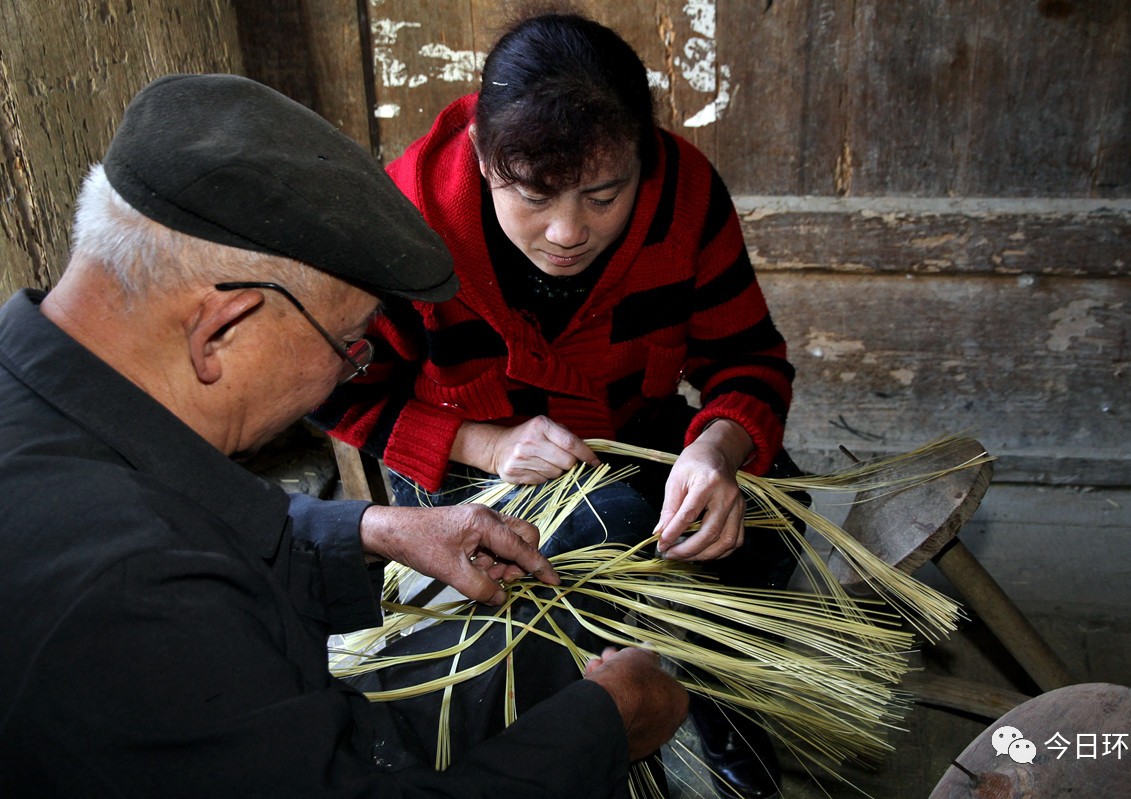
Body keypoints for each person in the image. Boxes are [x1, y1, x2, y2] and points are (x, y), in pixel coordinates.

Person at [0, 72, 687, 798]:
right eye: (352, 344)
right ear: (222, 330)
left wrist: (375, 528)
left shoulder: (49, 395)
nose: (345, 375)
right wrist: (606, 725)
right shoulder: (132, 601)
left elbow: (181, 513)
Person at [313, 11, 804, 799]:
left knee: (765, 519)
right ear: (482, 156)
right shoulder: (403, 219)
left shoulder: (683, 193)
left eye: (604, 195)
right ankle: (605, 744)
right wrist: (484, 443)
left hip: (632, 436)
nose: (569, 231)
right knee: (582, 546)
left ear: (641, 158)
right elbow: (336, 395)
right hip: (464, 479)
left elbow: (747, 358)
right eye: (535, 196)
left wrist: (718, 449)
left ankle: (729, 718)